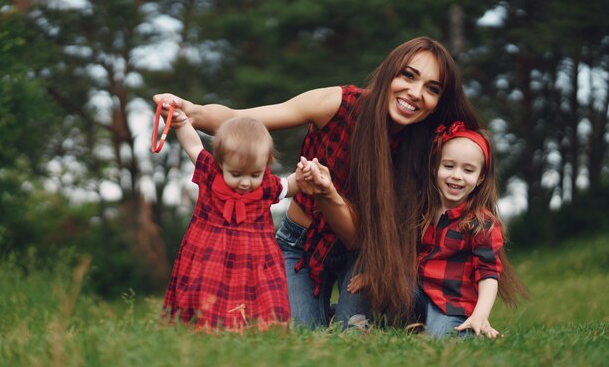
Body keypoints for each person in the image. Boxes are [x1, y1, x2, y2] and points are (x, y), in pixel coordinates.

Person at [154, 36, 481, 328]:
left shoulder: (425, 149)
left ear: (439, 100)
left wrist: (328, 193)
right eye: (408, 76)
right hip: (299, 246)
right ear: (388, 73)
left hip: (365, 256)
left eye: (431, 88)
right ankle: (329, 313)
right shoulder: (338, 105)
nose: (415, 93)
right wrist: (191, 112)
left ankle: (393, 310)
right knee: (296, 332)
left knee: (350, 333)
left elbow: (356, 239)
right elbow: (245, 118)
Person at [348, 121, 528, 337]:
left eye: (468, 170)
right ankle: (371, 323)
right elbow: (406, 256)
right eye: (449, 166)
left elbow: (488, 273)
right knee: (391, 287)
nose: (457, 175)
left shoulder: (481, 223)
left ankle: (468, 330)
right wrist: (377, 277)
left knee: (441, 339)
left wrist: (481, 313)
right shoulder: (422, 209)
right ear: (435, 168)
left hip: (451, 304)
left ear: (480, 178)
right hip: (417, 294)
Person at [162, 113, 299, 330]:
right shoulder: (209, 173)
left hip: (255, 258)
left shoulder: (267, 186)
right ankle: (205, 328)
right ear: (220, 162)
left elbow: (290, 185)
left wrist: (305, 175)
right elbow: (193, 146)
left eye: (255, 174)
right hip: (210, 254)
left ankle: (263, 330)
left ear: (265, 165)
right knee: (205, 293)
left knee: (263, 295)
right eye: (236, 174)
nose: (245, 183)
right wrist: (182, 122)